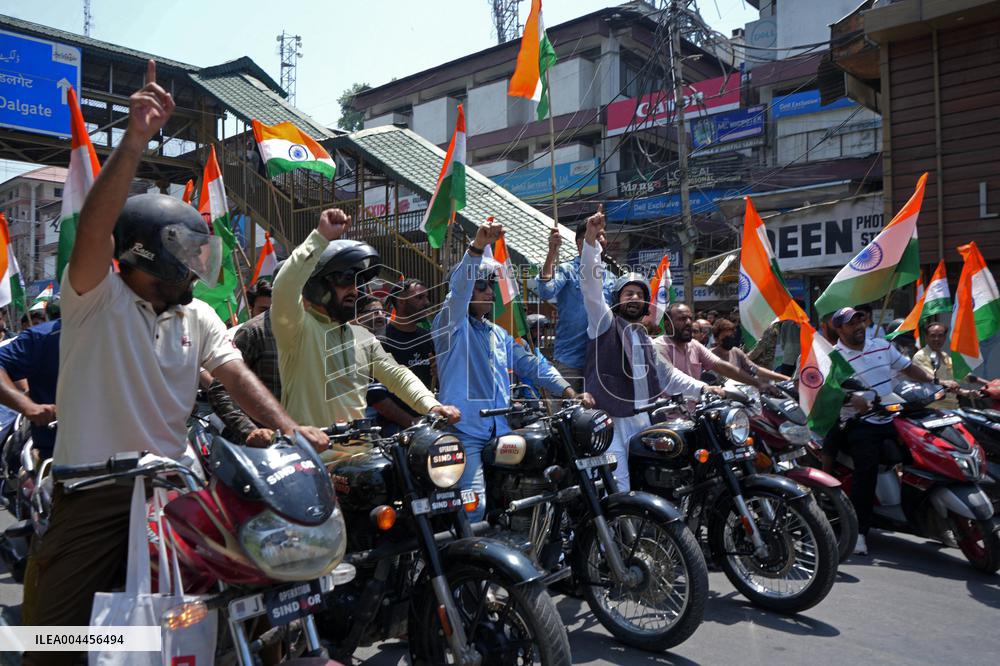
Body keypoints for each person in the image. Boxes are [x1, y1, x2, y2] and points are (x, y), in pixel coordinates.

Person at [21, 61, 328, 664]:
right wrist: (135, 139)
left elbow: (236, 376)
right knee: (51, 645)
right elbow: (95, 229)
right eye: (183, 254)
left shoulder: (198, 316)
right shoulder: (93, 298)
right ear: (143, 253)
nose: (194, 268)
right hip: (94, 494)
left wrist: (292, 430)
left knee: (240, 604)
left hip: (177, 490)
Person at [434, 219, 589, 518]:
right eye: (481, 285)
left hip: (500, 431)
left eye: (490, 285)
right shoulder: (449, 326)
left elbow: (532, 364)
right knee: (474, 507)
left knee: (542, 477)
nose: (489, 291)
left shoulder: (498, 334)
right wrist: (477, 247)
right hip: (465, 434)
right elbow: (459, 291)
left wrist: (569, 391)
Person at [270, 207, 460, 430]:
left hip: (361, 448)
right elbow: (284, 287)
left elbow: (396, 375)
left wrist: (432, 406)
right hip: (309, 450)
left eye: (358, 282)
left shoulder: (362, 337)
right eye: (345, 279)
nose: (354, 290)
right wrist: (320, 237)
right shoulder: (297, 329)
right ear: (317, 286)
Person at [580, 208, 719, 490]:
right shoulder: (604, 323)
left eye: (640, 295)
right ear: (617, 299)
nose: (634, 298)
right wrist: (591, 244)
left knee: (658, 484)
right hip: (611, 423)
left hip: (645, 420)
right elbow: (591, 289)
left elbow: (668, 377)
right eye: (628, 293)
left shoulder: (644, 339)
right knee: (618, 490)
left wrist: (707, 389)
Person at [822, 306, 939, 556]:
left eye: (860, 320)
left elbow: (908, 368)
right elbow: (826, 393)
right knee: (866, 472)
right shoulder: (833, 358)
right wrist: (850, 398)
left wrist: (934, 381)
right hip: (860, 422)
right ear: (839, 329)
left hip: (894, 415)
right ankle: (859, 533)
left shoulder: (882, 346)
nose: (859, 326)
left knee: (926, 451)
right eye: (851, 323)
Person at [536, 220, 614, 392]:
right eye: (596, 235)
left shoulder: (611, 277)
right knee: (568, 407)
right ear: (580, 243)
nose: (602, 240)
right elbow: (546, 291)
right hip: (570, 361)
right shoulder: (567, 270)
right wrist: (552, 252)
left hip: (601, 363)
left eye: (603, 235)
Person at [654, 303, 780, 392]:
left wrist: (759, 384)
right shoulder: (658, 347)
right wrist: (704, 388)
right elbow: (673, 378)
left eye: (690, 318)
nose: (688, 323)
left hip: (693, 412)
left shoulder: (694, 345)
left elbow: (723, 367)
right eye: (682, 319)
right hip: (667, 416)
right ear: (668, 325)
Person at [0, 298, 61, 459]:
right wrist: (29, 407)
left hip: (120, 447)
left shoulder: (119, 330)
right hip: (57, 451)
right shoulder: (43, 337)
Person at [709, 318, 790, 384]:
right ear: (716, 339)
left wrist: (785, 378)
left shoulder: (736, 352)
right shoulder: (709, 355)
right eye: (726, 337)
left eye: (731, 335)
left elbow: (756, 369)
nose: (729, 339)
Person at [911, 322, 962, 409]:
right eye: (933, 335)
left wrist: (985, 383)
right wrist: (962, 391)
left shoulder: (945, 356)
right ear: (926, 337)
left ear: (945, 338)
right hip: (934, 407)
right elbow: (930, 379)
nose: (936, 339)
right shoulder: (920, 356)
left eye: (940, 336)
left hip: (953, 406)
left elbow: (961, 374)